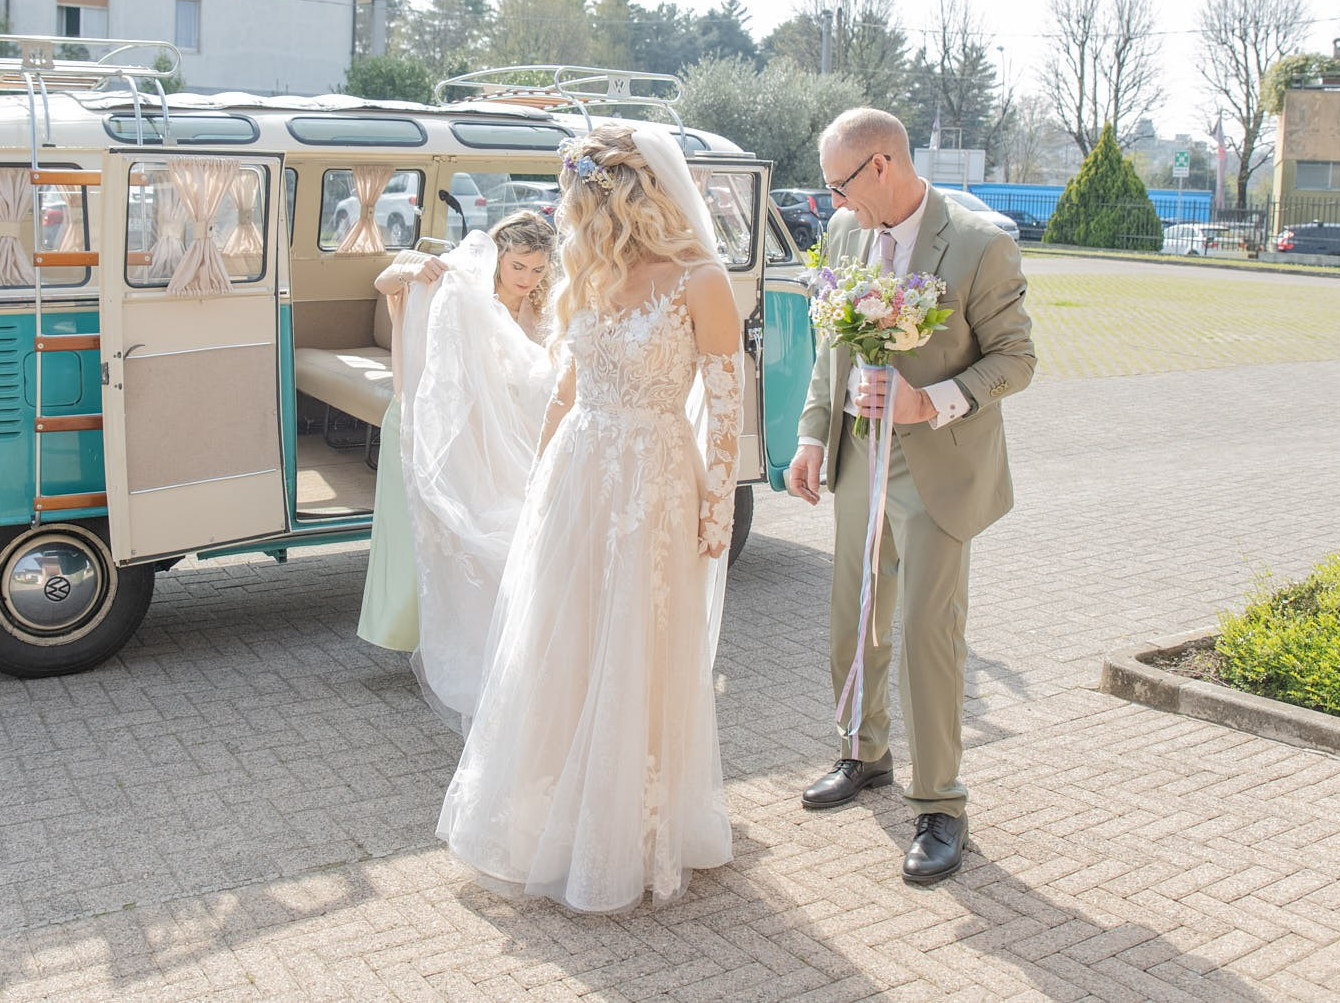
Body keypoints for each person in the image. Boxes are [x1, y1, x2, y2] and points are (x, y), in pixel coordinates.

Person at [437, 124, 744, 913]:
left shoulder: (701, 279)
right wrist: (539, 483)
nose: (572, 220)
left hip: (656, 476)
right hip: (579, 471)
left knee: (641, 640)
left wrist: (717, 506)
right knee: (565, 635)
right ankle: (559, 816)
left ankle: (635, 828)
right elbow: (567, 390)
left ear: (618, 200)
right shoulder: (587, 273)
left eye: (579, 203)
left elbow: (726, 405)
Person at [784, 108, 1035, 885]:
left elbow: (1017, 359)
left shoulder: (979, 242)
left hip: (938, 467)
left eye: (839, 185)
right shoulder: (853, 236)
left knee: (929, 631)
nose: (834, 204)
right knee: (854, 613)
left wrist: (939, 399)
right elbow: (834, 345)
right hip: (862, 456)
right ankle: (863, 751)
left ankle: (940, 803)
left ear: (883, 165)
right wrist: (813, 434)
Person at [355, 212, 556, 667]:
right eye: (519, 266)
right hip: (432, 424)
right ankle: (418, 634)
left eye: (538, 269)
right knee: (420, 532)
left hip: (503, 432)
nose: (528, 278)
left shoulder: (541, 308)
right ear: (500, 257)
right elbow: (386, 282)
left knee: (495, 524)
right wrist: (411, 268)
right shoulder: (462, 284)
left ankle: (489, 634)